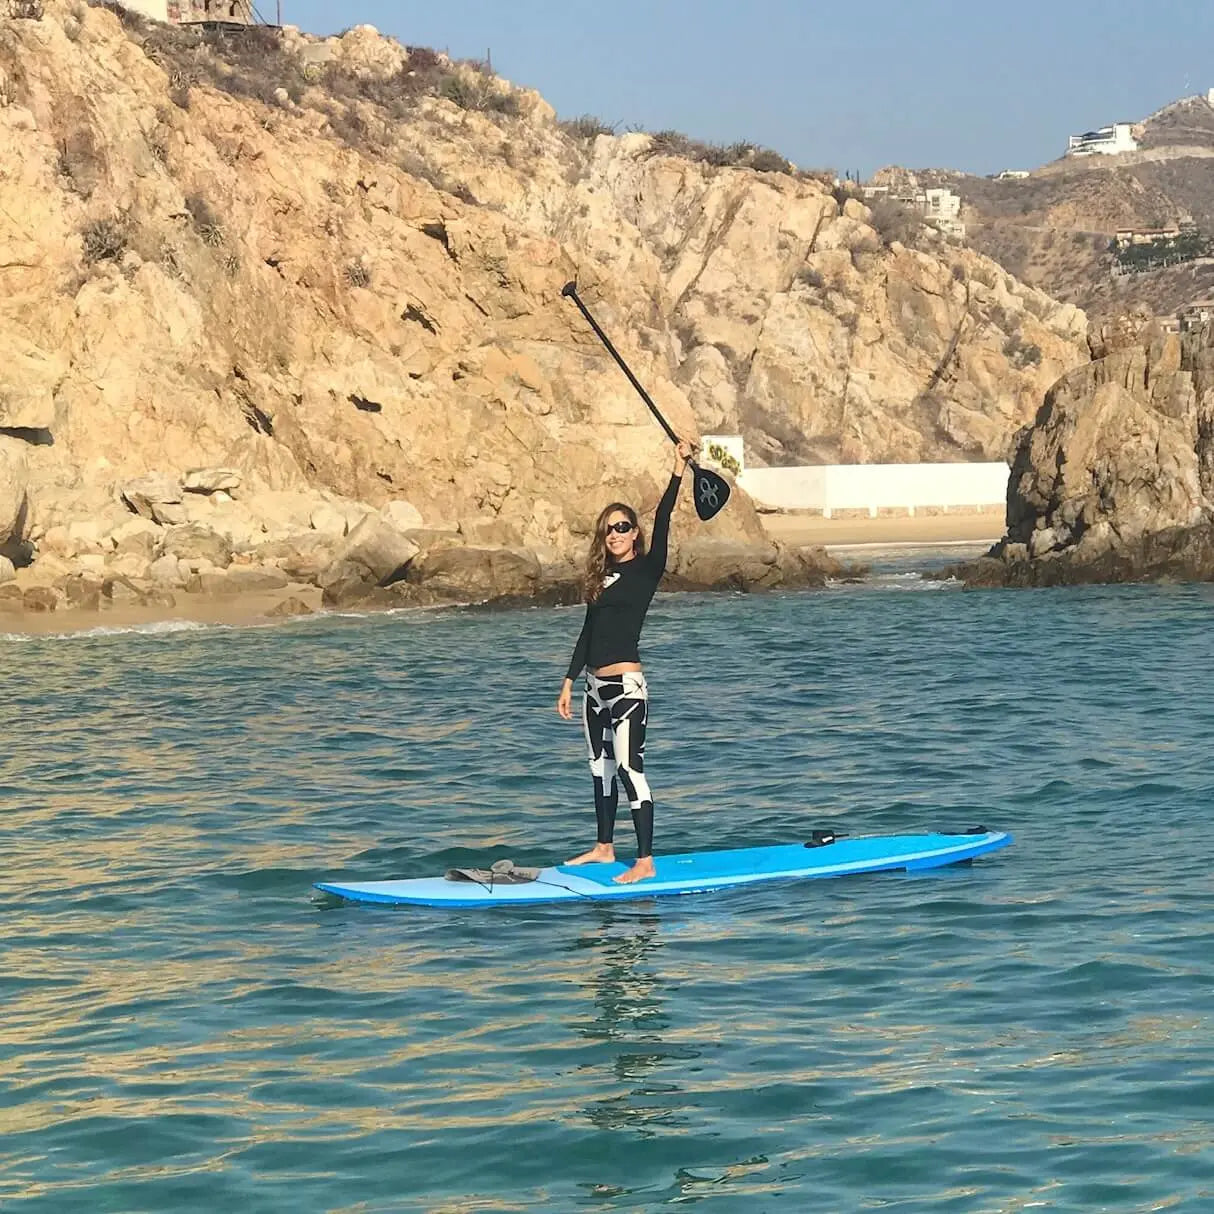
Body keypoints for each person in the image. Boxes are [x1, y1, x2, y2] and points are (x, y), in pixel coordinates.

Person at [556, 439, 695, 884]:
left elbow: (664, 516)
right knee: (600, 770)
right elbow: (588, 631)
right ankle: (603, 847)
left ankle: (646, 860)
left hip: (626, 689)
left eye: (621, 527)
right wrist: (568, 680)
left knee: (630, 768)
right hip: (593, 688)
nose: (614, 535)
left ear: (634, 532)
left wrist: (677, 467)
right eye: (608, 530)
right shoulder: (600, 578)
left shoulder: (647, 569)